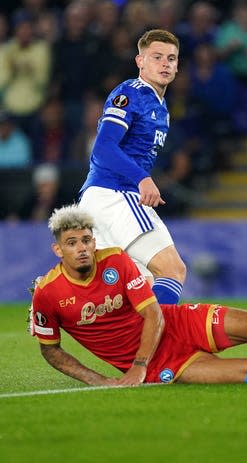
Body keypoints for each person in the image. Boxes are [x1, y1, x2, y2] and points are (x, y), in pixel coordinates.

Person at [30, 204, 247, 386]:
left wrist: (136, 367)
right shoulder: (47, 293)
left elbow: (154, 313)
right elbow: (51, 351)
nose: (82, 249)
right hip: (166, 364)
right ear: (58, 249)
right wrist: (99, 380)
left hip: (180, 324)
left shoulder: (116, 259)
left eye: (87, 240)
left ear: (94, 240)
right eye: (72, 243)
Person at [77, 29, 187, 305]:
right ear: (140, 61)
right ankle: (159, 345)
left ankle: (50, 301)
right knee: (172, 270)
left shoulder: (161, 108)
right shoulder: (130, 93)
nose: (165, 64)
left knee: (140, 288)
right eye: (157, 57)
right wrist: (142, 179)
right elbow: (103, 148)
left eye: (171, 58)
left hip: (108, 198)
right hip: (115, 194)